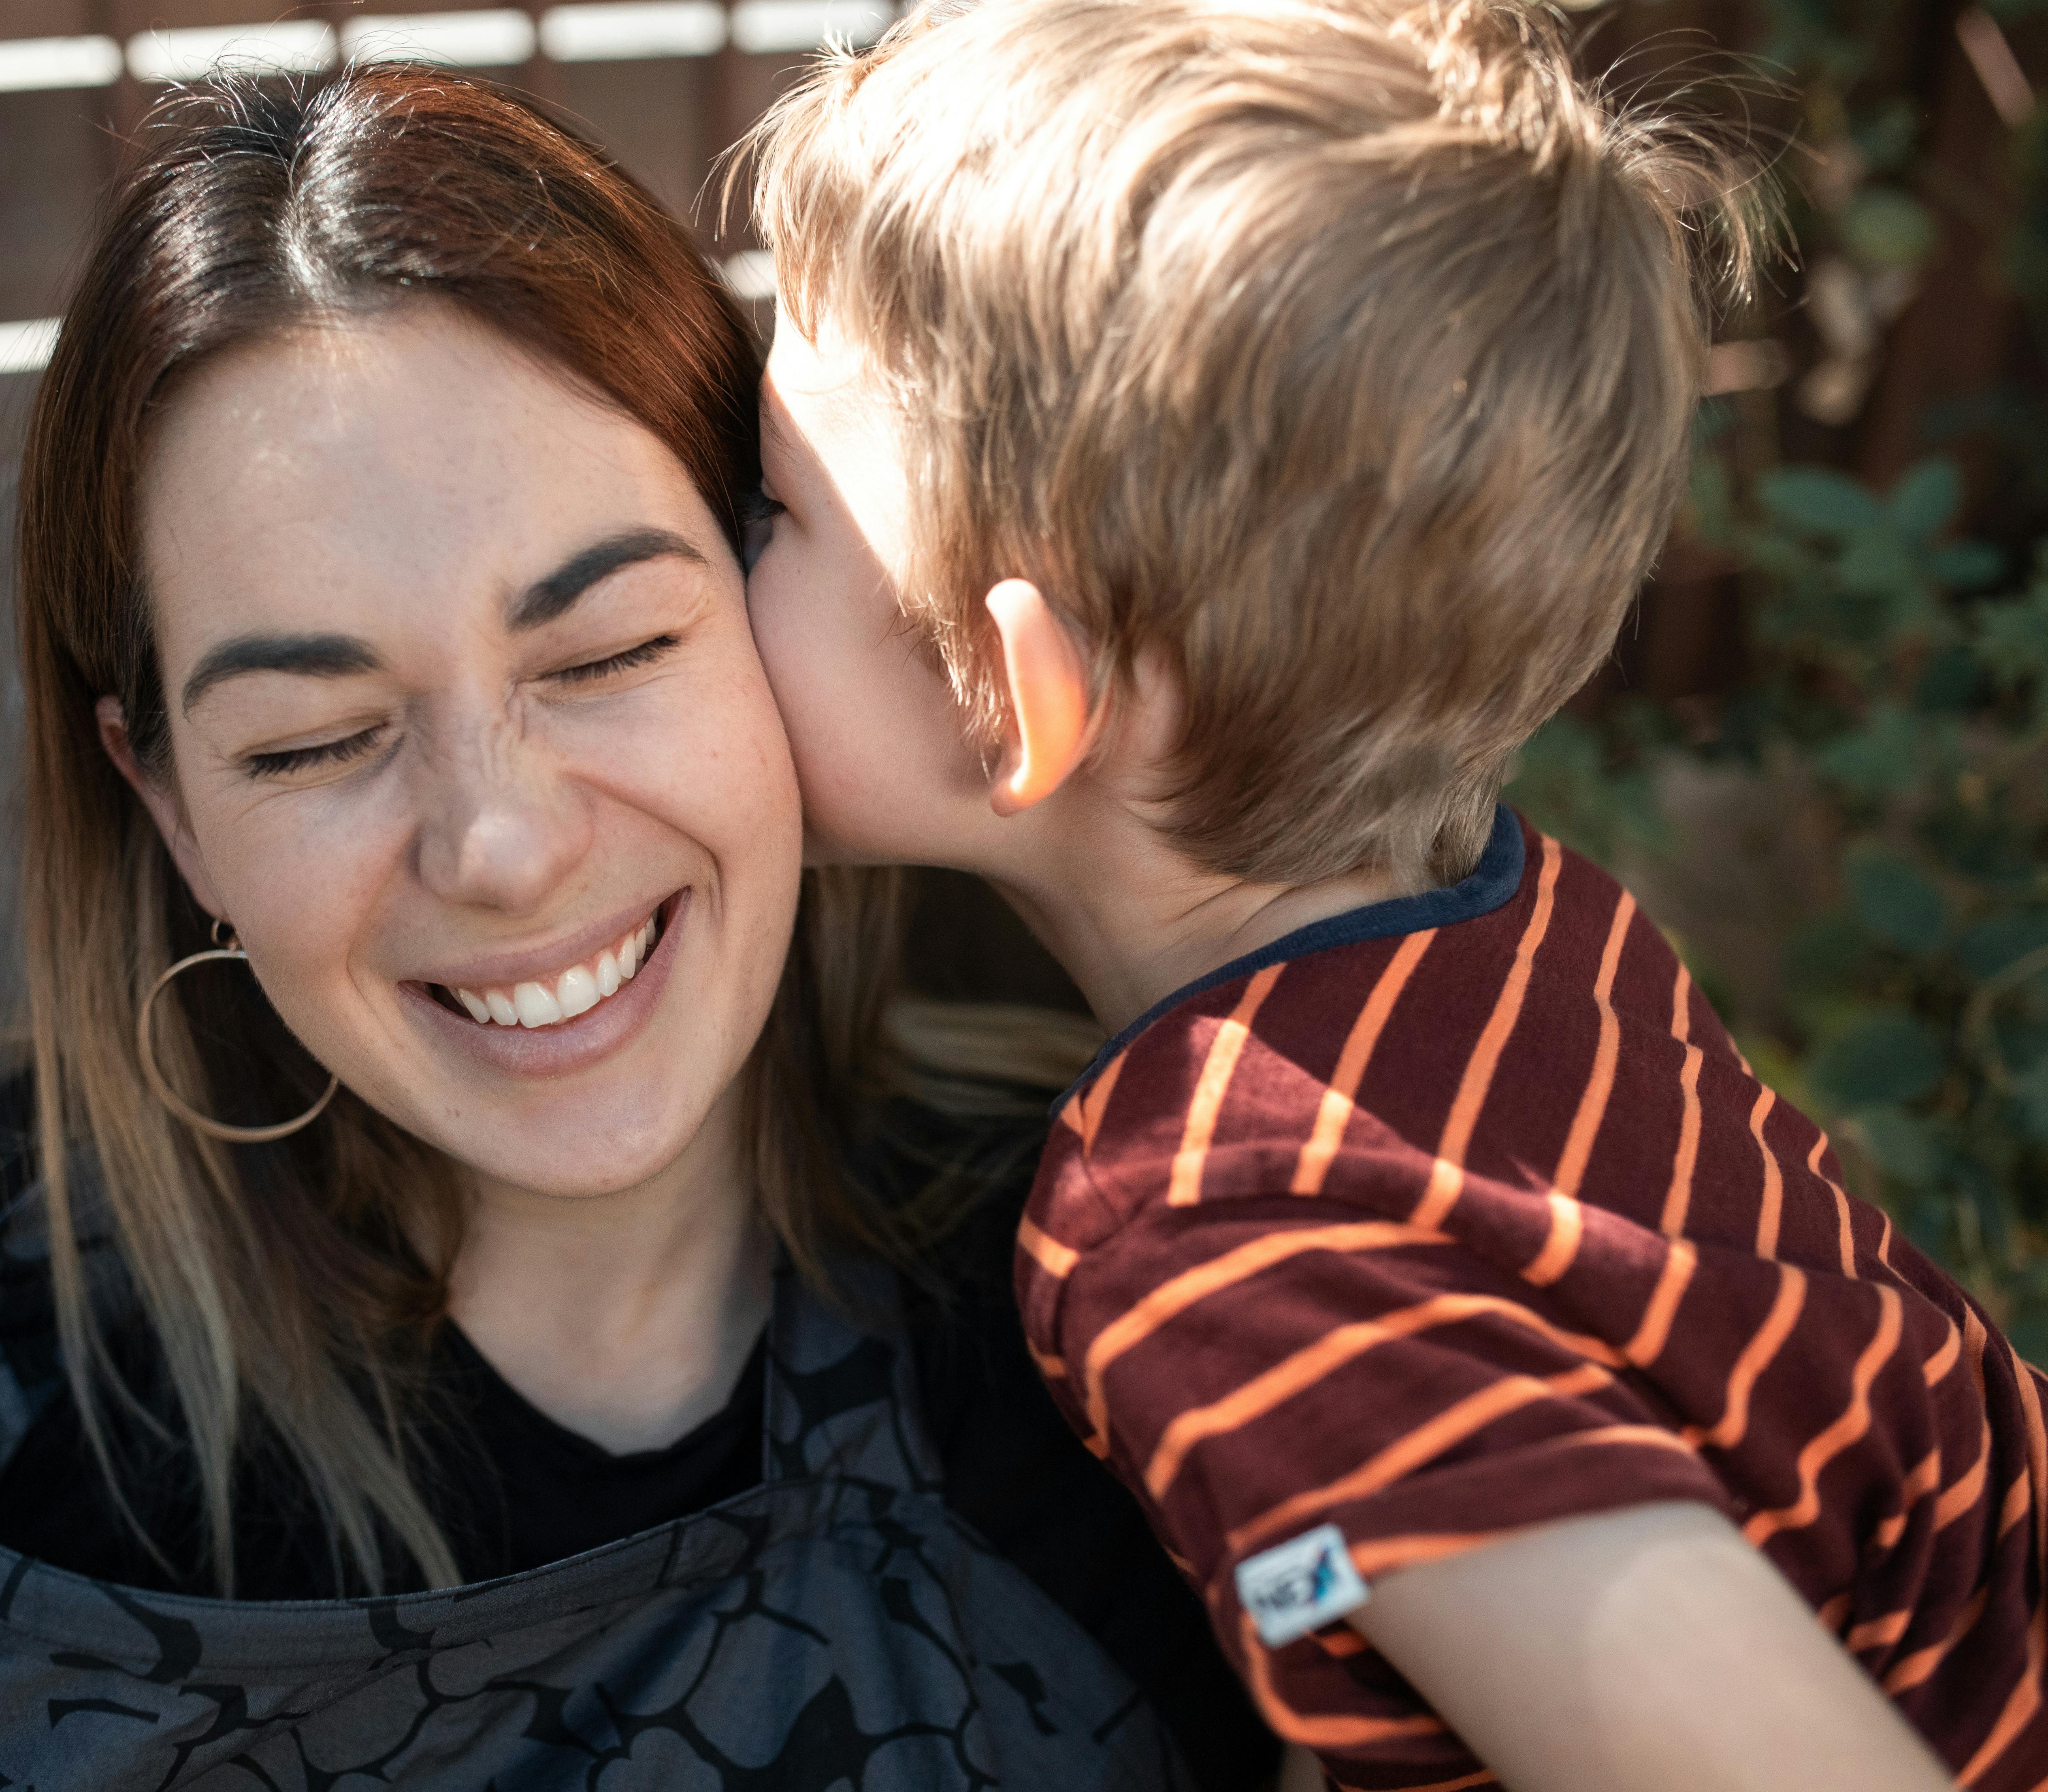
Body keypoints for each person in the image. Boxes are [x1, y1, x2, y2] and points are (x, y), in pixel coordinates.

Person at [0, 63, 1277, 1791]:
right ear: (168, 803)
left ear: (777, 602)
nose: (502, 845)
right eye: (315, 740)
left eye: (608, 648)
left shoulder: (1139, 1314)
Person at [734, 1, 2048, 1788]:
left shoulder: (1220, 1232)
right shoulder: (1526, 928)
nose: (722, 562)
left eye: (776, 511)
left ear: (1011, 692)